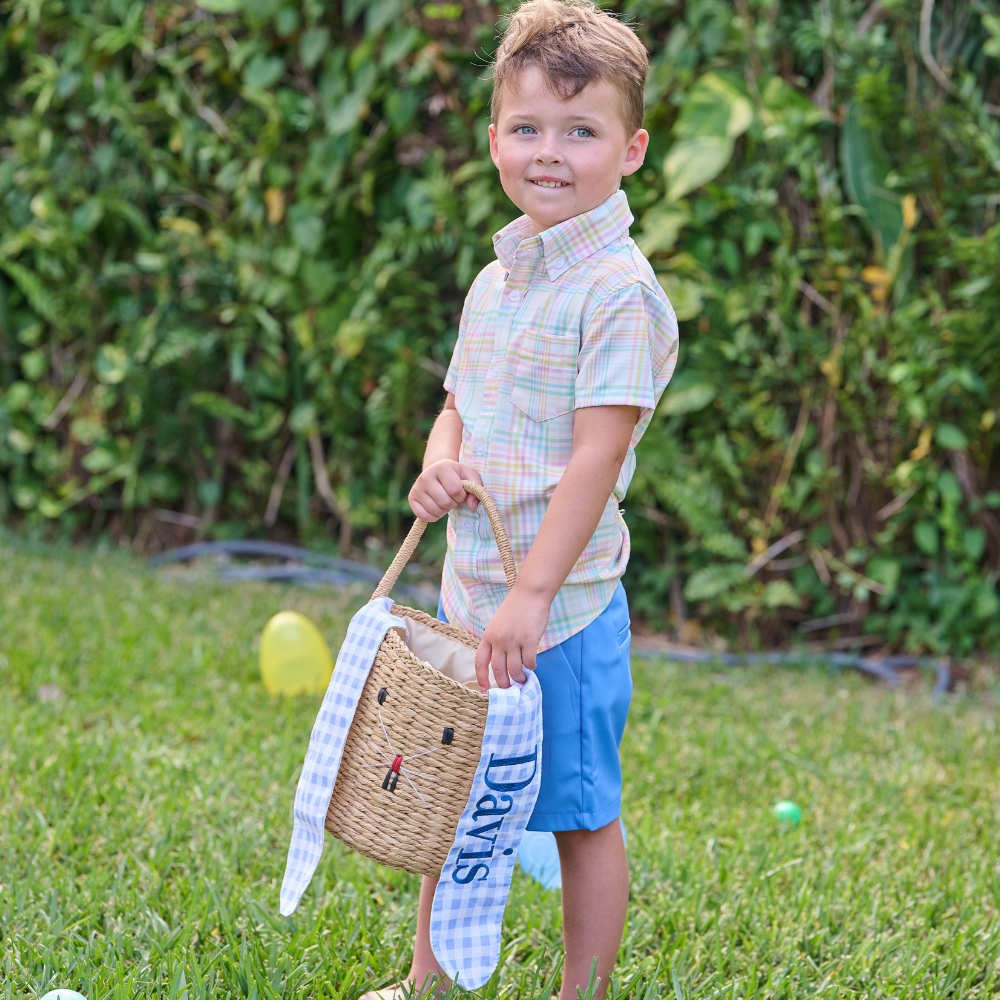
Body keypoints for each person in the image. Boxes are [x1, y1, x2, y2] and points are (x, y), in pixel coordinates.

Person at [362, 1, 677, 996]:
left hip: (562, 614)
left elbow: (596, 457)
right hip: (471, 595)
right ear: (494, 137)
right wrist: (438, 462)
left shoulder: (618, 291)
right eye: (529, 127)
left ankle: (578, 992)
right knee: (457, 805)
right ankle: (429, 983)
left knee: (579, 812)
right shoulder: (495, 281)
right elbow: (460, 403)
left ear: (628, 150)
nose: (550, 152)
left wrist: (534, 596)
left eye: (580, 131)